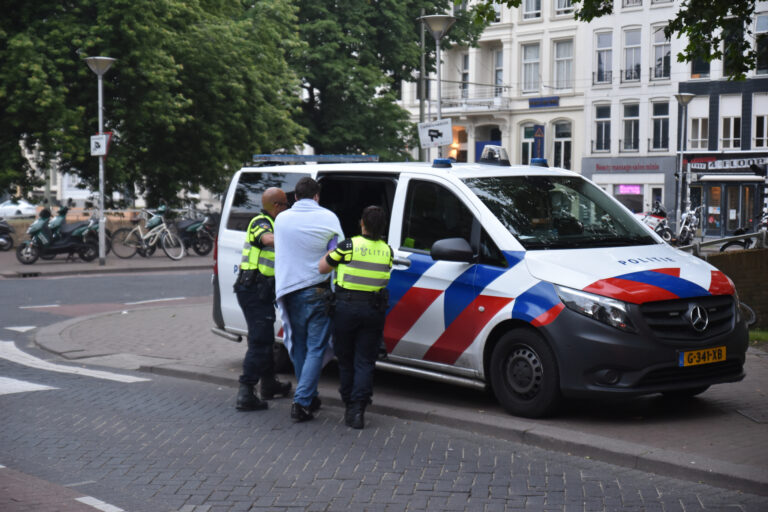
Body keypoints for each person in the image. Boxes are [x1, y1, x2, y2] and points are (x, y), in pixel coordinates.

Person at [274, 177, 344, 422]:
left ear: (295, 197)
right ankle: (302, 401)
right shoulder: (329, 218)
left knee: (298, 345)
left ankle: (310, 395)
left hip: (289, 291)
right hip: (317, 291)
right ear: (317, 196)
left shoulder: (281, 220)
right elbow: (338, 252)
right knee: (316, 348)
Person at [319, 206, 392, 429]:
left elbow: (323, 268)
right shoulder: (387, 250)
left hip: (346, 309)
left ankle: (349, 402)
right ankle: (358, 410)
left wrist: (330, 251)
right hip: (373, 311)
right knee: (365, 361)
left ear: (362, 224)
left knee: (346, 359)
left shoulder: (348, 245)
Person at [233, 187, 292, 411]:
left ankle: (269, 384)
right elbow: (267, 239)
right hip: (254, 290)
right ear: (277, 205)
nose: (288, 208)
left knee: (265, 337)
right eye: (286, 204)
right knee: (260, 341)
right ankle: (246, 392)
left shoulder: (274, 223)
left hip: (259, 290)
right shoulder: (261, 221)